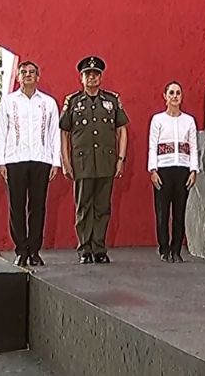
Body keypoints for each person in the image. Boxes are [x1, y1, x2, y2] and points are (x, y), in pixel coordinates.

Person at [60, 56, 129, 264]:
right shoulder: (73, 101)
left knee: (103, 207)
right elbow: (64, 132)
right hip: (82, 162)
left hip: (106, 161)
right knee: (83, 207)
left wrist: (120, 159)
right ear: (81, 78)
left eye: (95, 74)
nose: (91, 77)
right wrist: (65, 160)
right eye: (87, 74)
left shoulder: (111, 100)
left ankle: (99, 247)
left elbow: (121, 130)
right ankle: (84, 249)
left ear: (101, 77)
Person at [0, 61, 61, 267]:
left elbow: (54, 133)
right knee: (16, 206)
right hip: (15, 160)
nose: (28, 75)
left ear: (38, 76)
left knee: (38, 206)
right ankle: (21, 250)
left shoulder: (48, 103)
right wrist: (1, 161)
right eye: (24, 72)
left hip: (41, 159)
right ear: (17, 76)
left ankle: (34, 250)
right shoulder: (9, 101)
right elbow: (1, 132)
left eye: (32, 72)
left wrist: (55, 162)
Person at [148, 81, 199, 263]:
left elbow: (194, 147)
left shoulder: (189, 121)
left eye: (178, 92)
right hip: (163, 170)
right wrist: (152, 170)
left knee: (180, 212)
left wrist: (194, 170)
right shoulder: (158, 120)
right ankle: (164, 249)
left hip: (182, 170)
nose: (175, 96)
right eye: (171, 92)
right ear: (165, 96)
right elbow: (152, 146)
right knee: (162, 212)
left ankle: (176, 250)